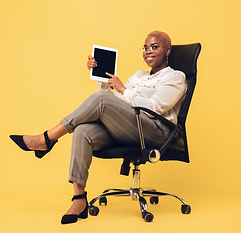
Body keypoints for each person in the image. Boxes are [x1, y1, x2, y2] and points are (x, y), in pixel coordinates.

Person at [10, 31, 187, 224]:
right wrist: (101, 79)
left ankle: (47, 138)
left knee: (101, 100)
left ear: (167, 50)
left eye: (154, 47)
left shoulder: (176, 77)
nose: (148, 52)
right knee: (83, 130)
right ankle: (79, 199)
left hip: (155, 132)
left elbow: (155, 107)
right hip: (130, 128)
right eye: (145, 48)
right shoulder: (139, 76)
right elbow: (113, 102)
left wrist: (123, 89)